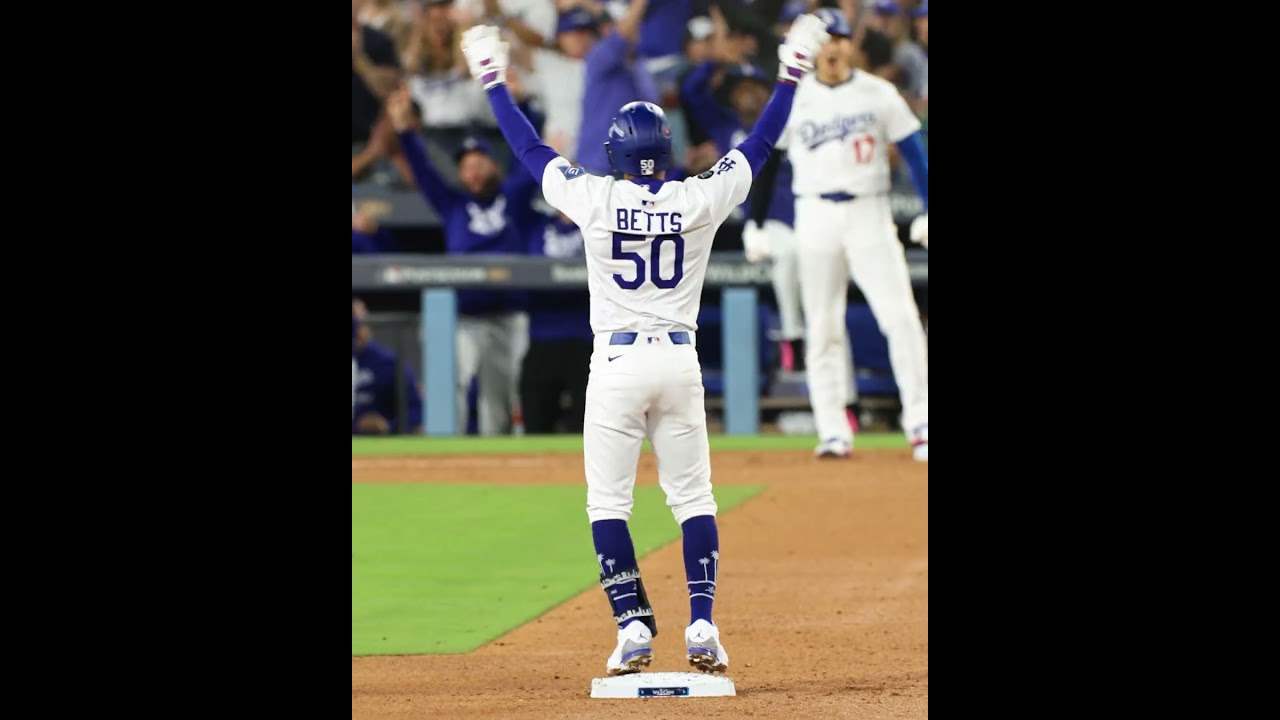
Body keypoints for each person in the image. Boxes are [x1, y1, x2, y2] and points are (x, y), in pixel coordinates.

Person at [454, 14, 829, 675]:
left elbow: (529, 148)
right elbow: (763, 141)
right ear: (664, 146)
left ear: (618, 154)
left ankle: (632, 626)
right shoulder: (697, 198)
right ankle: (704, 626)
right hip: (679, 360)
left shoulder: (595, 198)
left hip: (618, 362)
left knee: (608, 504)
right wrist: (791, 69)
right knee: (694, 500)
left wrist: (492, 78)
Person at [757, 7, 928, 460]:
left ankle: (922, 423)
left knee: (901, 319)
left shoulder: (878, 92)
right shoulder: (795, 99)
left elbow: (915, 153)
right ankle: (833, 430)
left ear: (851, 44)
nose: (832, 48)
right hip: (814, 214)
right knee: (823, 326)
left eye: (840, 39)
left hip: (869, 211)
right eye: (824, 41)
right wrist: (756, 222)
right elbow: (769, 163)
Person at [387, 88, 537, 436]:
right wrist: (405, 132)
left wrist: (526, 105)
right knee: (450, 382)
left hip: (508, 314)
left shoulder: (512, 197)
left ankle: (497, 463)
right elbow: (424, 173)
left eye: (478, 162)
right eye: (465, 166)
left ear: (493, 163)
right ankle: (446, 451)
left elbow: (529, 159)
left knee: (501, 396)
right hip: (464, 315)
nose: (471, 171)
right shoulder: (452, 204)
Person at [520, 207, 593, 433]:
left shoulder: (598, 220)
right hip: (542, 337)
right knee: (536, 423)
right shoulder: (534, 224)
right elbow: (516, 191)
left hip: (589, 339)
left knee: (592, 426)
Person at [353, 299, 425, 434]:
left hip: (381, 443)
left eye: (360, 324)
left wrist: (387, 427)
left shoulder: (388, 363)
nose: (356, 330)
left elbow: (415, 410)